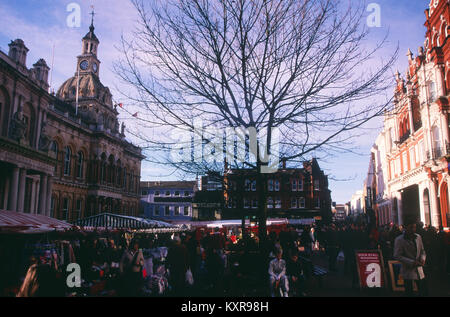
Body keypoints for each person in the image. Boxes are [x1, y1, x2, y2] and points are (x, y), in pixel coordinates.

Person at [394, 221, 428, 297]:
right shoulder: (399, 239)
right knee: (409, 292)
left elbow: (422, 251)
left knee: (423, 290)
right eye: (411, 227)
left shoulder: (418, 237)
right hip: (408, 270)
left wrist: (423, 259)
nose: (413, 229)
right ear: (405, 228)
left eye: (414, 227)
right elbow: (397, 255)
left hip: (419, 269)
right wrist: (412, 262)